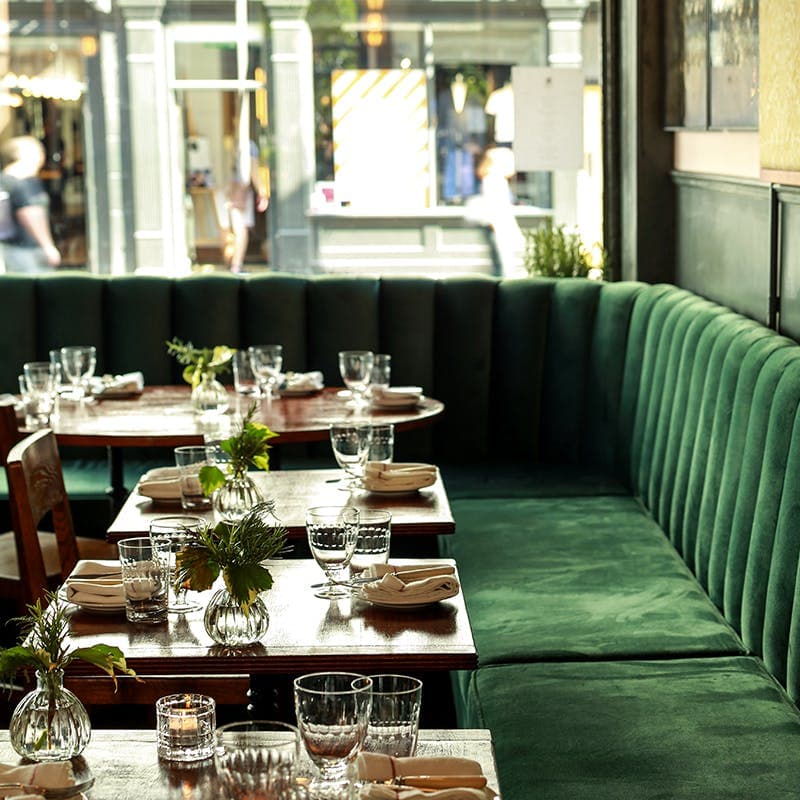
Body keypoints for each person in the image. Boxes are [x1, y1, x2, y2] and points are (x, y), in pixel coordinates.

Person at [0, 136, 60, 273]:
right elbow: (30, 213)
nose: (41, 157)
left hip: (8, 249)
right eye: (38, 152)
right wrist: (48, 246)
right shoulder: (25, 183)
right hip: (29, 251)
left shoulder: (3, 181)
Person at [226, 139, 268, 273]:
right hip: (241, 192)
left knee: (235, 229)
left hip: (229, 190)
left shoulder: (230, 144)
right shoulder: (248, 146)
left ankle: (234, 263)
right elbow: (253, 170)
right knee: (241, 230)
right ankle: (236, 265)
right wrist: (262, 192)